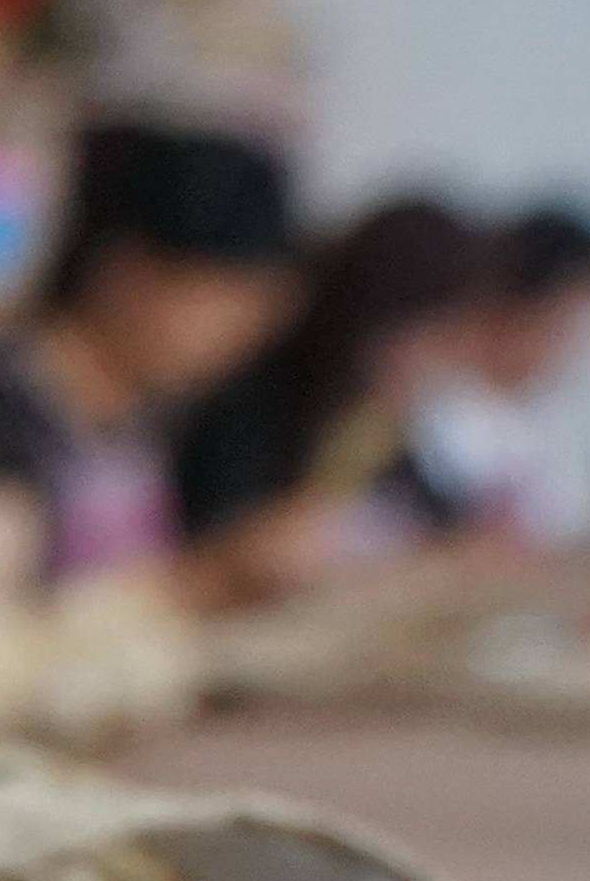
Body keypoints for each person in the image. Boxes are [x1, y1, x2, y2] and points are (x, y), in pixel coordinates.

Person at [0, 117, 300, 586]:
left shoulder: (154, 420)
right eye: (221, 307)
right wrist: (212, 576)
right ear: (125, 273)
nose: (235, 343)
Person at [165, 193, 496, 603]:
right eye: (440, 334)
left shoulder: (369, 410)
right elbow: (222, 545)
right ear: (388, 314)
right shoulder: (257, 393)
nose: (444, 360)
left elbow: (438, 514)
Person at [405, 201, 590, 548]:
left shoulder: (526, 415)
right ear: (511, 304)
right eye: (567, 322)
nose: (579, 346)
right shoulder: (434, 412)